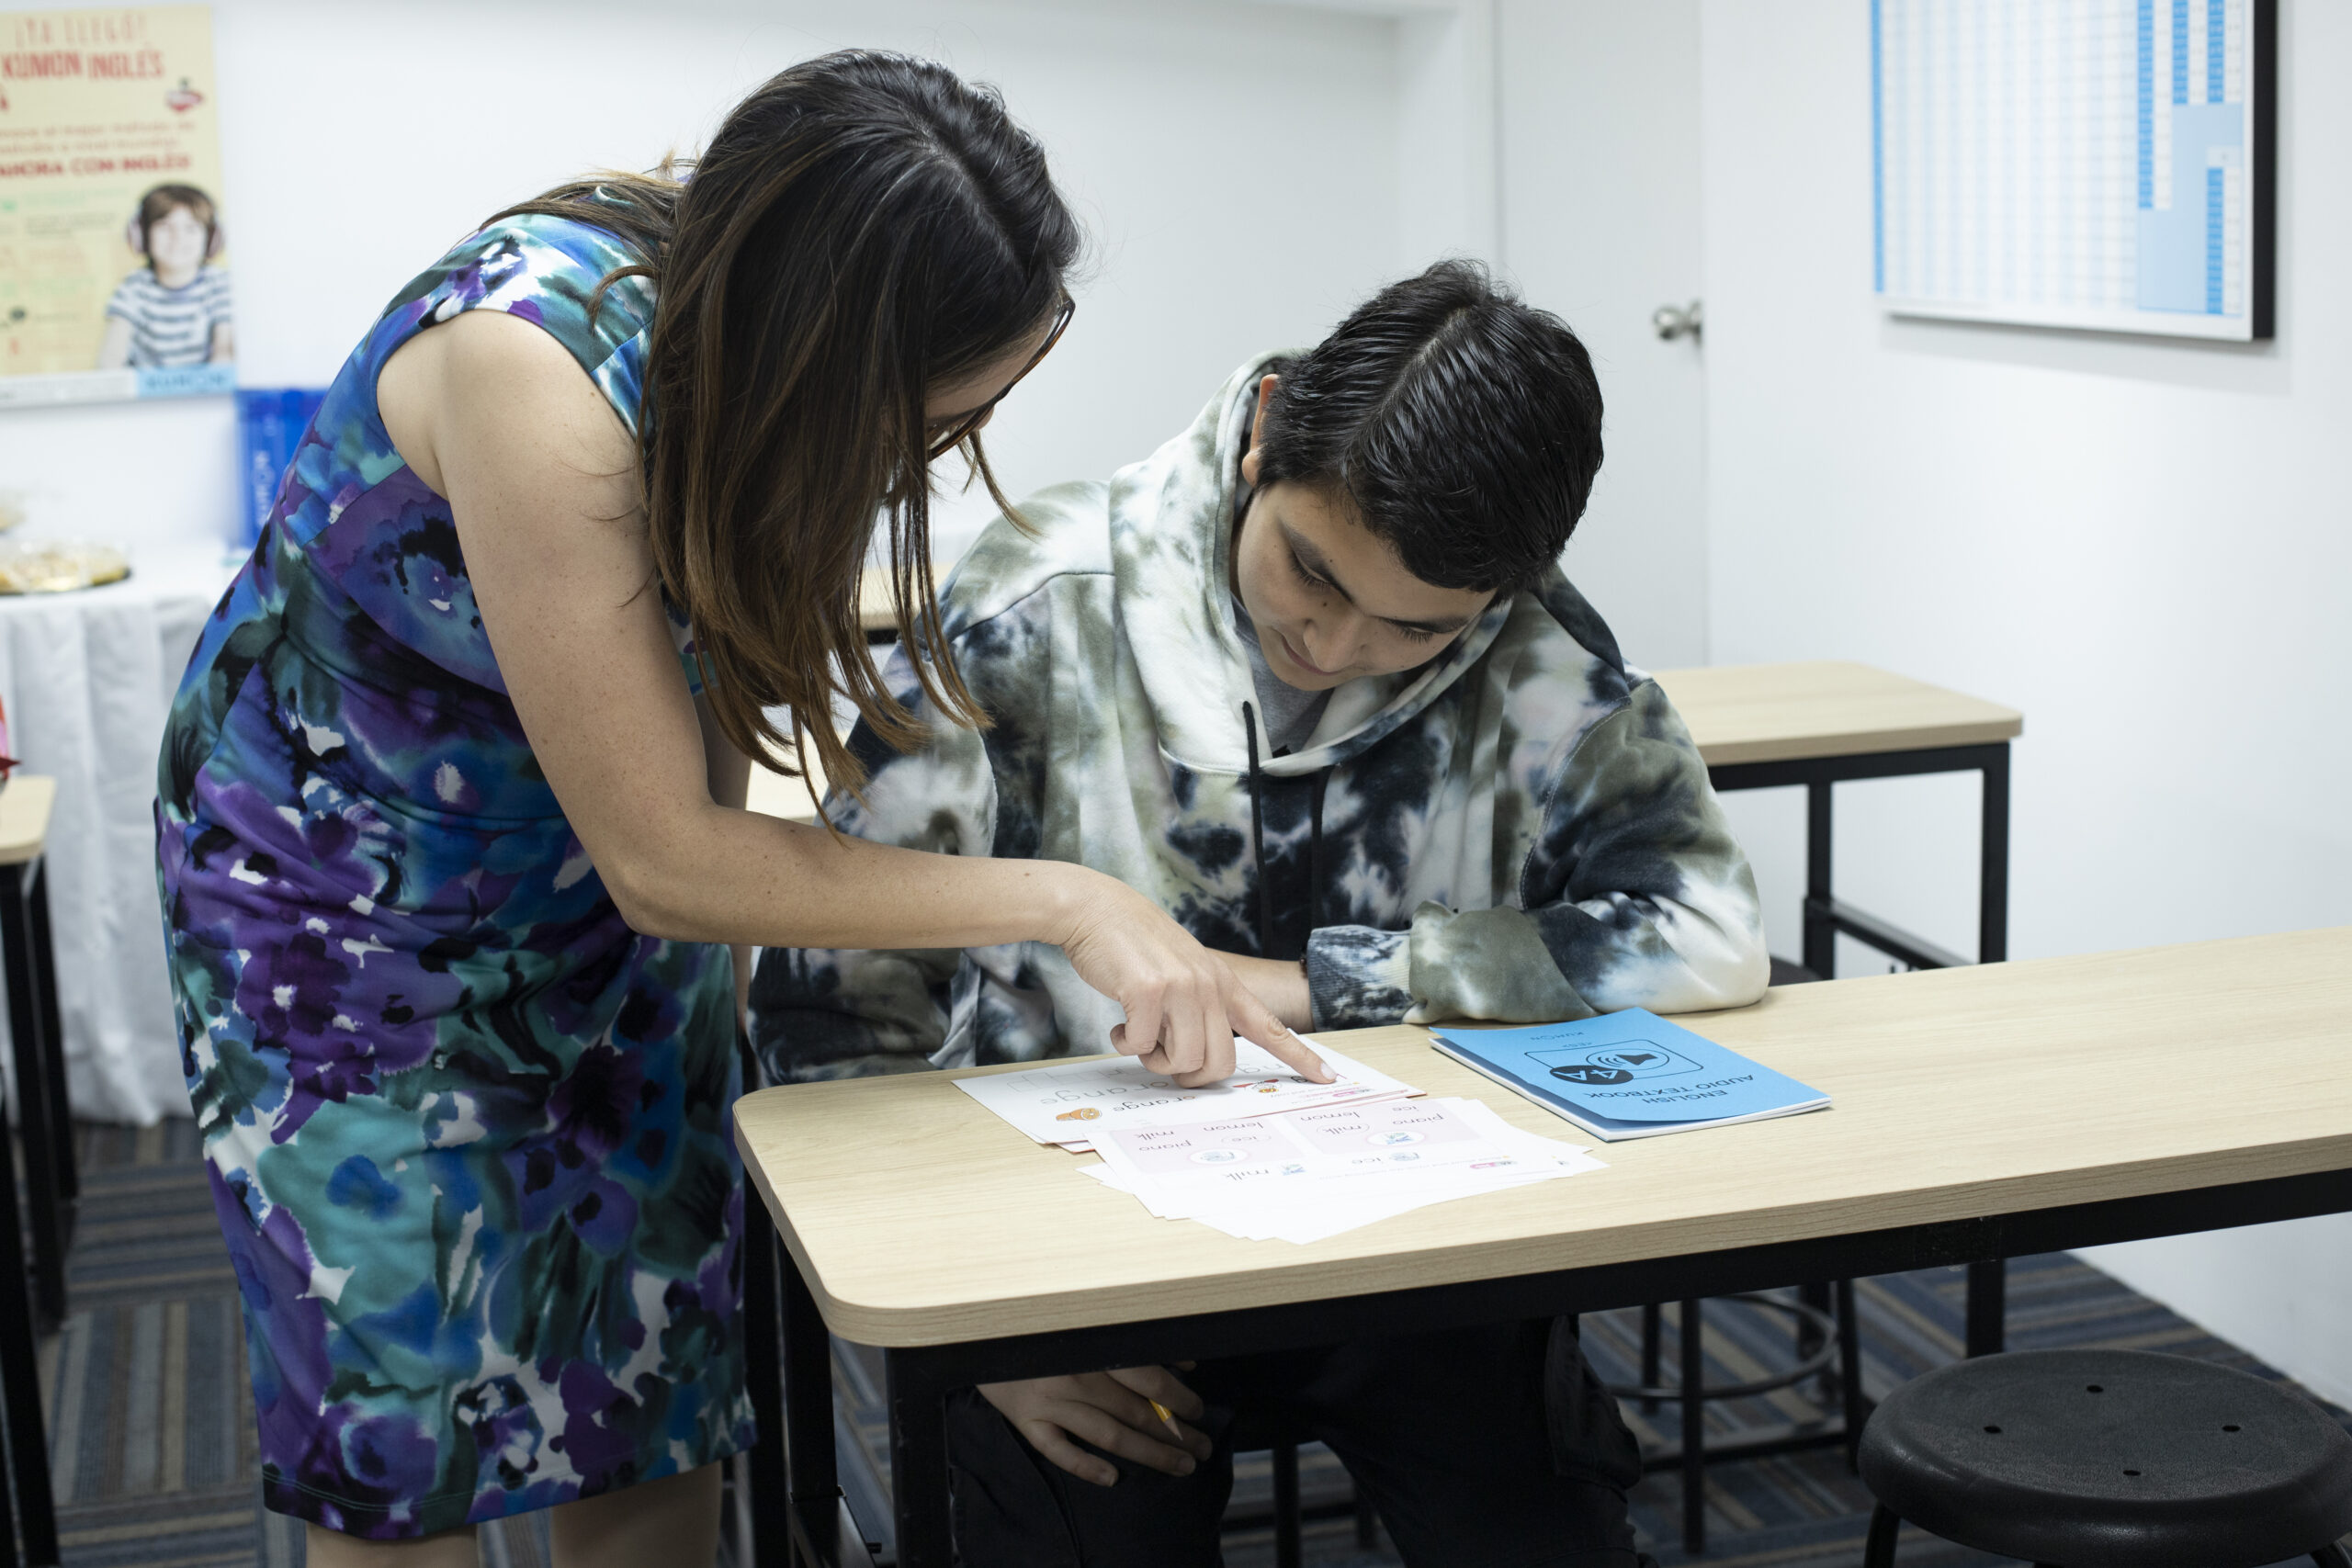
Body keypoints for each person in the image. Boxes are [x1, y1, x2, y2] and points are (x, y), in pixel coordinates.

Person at [155, 51, 1320, 1568]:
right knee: (408, 1447)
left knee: (646, 1389)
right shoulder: (536, 371)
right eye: (940, 414)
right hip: (342, 915)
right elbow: (672, 861)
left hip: (592, 885)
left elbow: (695, 805)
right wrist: (1068, 897)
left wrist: (744, 945)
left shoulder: (760, 354)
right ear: (835, 355)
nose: (940, 454)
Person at [750, 260, 1770, 1565]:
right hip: (1076, 1245)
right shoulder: (1042, 600)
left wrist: (1329, 982)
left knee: (1533, 1525)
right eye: (1311, 571)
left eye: (1416, 629)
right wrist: (970, 1325)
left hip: (1419, 1235)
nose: (1334, 648)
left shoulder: (1537, 649)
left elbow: (1706, 927)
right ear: (1266, 432)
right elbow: (829, 994)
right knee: (1085, 1521)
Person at [98, 182, 233, 368]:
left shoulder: (220, 284)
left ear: (211, 239)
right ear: (142, 235)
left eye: (191, 228)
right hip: (146, 386)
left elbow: (224, 352)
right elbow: (111, 355)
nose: (177, 238)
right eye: (164, 227)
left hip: (207, 386)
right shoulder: (133, 287)